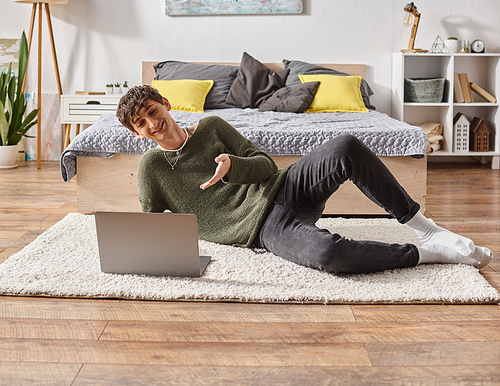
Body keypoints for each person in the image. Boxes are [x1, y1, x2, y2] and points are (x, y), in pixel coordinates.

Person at [116, 85, 492, 276]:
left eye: (153, 111)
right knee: (329, 254)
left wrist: (234, 166)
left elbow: (264, 164)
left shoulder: (212, 125)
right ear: (136, 133)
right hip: (262, 228)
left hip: (282, 185)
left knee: (344, 145)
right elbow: (152, 226)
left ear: (165, 102)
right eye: (141, 123)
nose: (152, 123)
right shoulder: (151, 168)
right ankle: (427, 254)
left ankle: (425, 229)